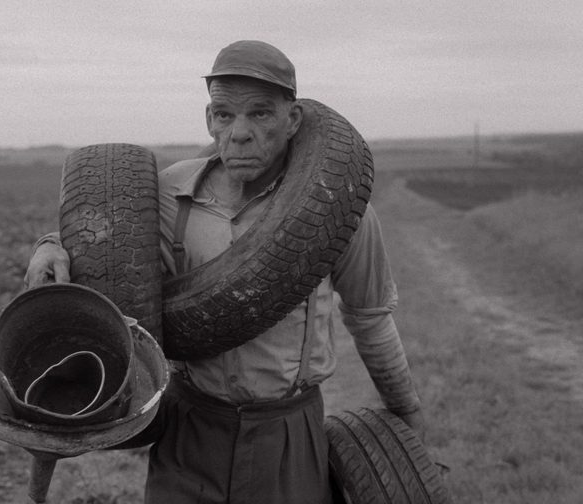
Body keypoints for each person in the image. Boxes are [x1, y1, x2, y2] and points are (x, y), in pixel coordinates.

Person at [24, 40, 424, 504]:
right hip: (190, 429)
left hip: (288, 433)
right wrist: (49, 247)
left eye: (260, 114)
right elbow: (102, 251)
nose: (239, 132)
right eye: (224, 114)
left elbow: (370, 316)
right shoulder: (168, 193)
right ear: (208, 119)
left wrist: (406, 414)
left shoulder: (335, 208)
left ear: (292, 120)